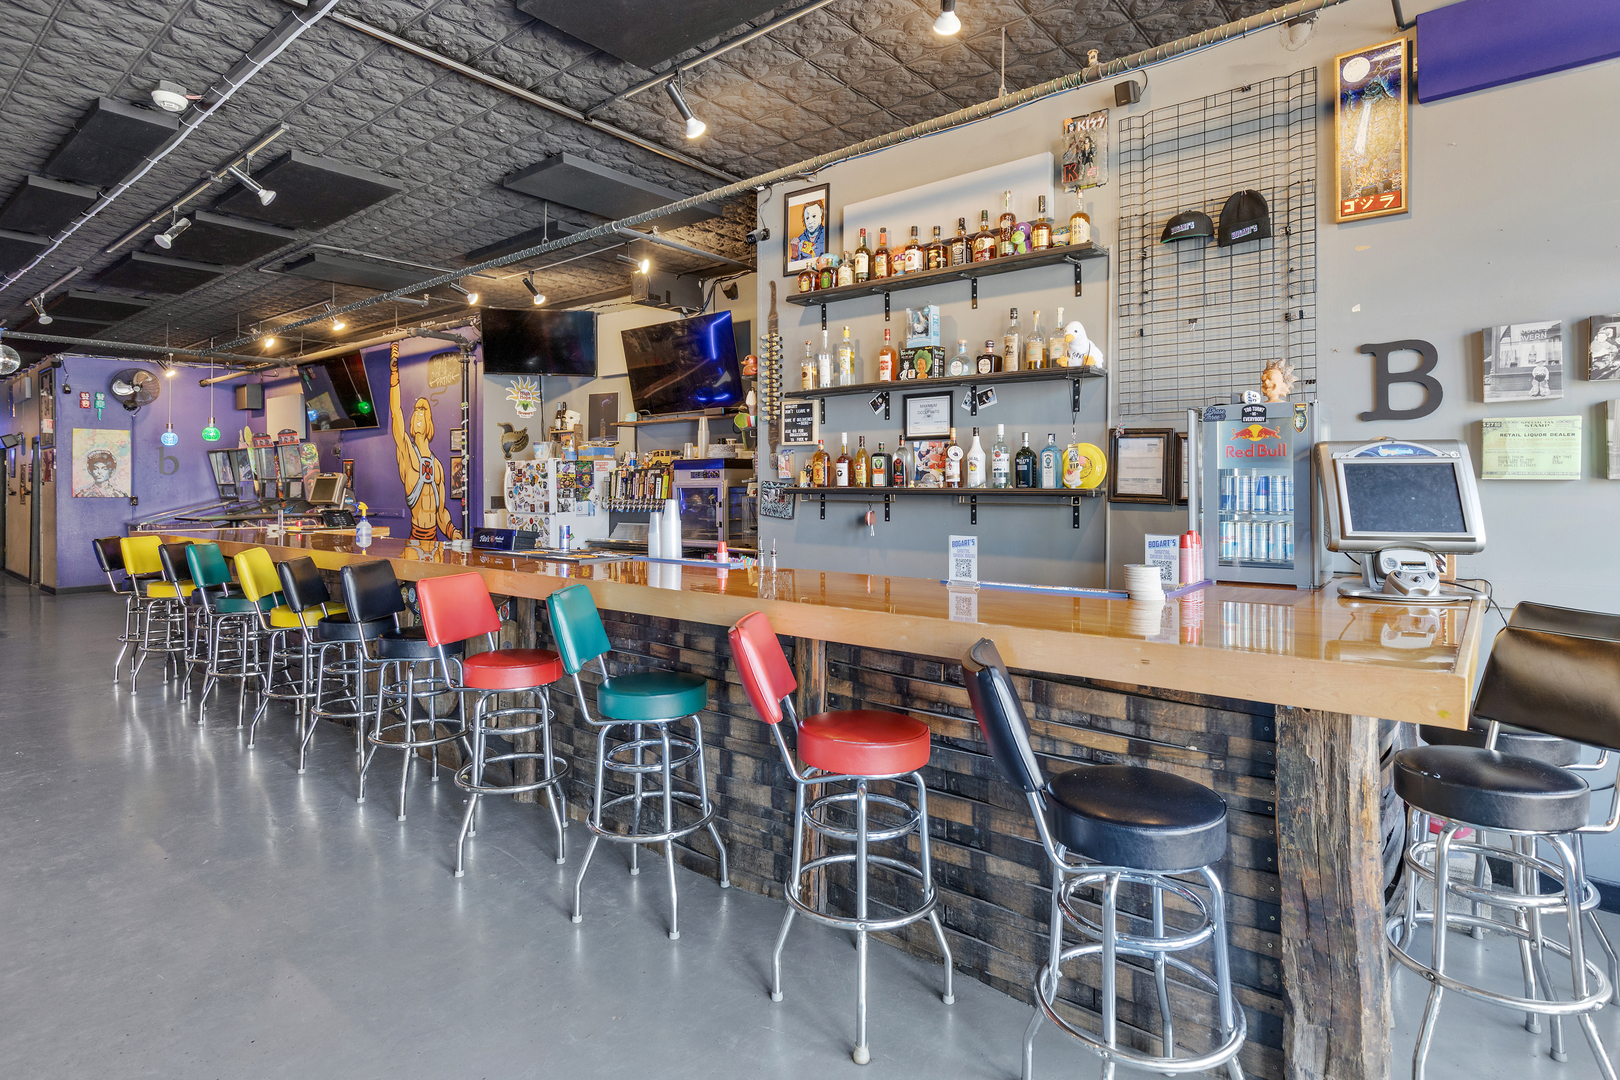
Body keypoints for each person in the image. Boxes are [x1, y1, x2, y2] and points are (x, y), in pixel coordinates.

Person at [388, 344, 460, 542]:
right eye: (416, 412)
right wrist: (394, 374)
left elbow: (441, 512)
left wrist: (455, 533)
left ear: (429, 422)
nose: (419, 415)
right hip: (415, 538)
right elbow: (396, 413)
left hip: (435, 540)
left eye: (424, 412)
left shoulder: (437, 467)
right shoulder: (407, 452)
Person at [791, 200, 826, 264]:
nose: (810, 222)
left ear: (821, 212)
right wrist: (794, 255)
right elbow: (794, 268)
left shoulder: (827, 234)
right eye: (807, 218)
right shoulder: (800, 239)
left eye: (814, 216)